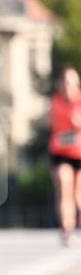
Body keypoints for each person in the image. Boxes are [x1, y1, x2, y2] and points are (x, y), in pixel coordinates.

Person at [48, 64, 81, 247]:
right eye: (65, 81)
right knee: (64, 186)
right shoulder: (55, 101)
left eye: (71, 81)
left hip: (79, 153)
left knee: (77, 194)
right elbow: (51, 123)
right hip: (60, 153)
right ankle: (66, 229)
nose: (68, 84)